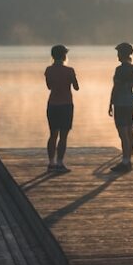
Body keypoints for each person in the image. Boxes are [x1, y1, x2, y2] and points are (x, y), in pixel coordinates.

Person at [43, 44, 78, 172]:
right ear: (64, 56)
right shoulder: (70, 70)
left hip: (52, 105)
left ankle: (51, 163)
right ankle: (60, 163)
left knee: (53, 134)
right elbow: (76, 87)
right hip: (66, 105)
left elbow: (49, 86)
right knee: (63, 136)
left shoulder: (48, 70)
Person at [109, 42, 133, 169]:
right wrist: (132, 98)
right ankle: (129, 158)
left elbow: (116, 87)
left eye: (118, 53)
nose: (117, 56)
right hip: (130, 103)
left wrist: (111, 103)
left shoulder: (120, 69)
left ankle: (125, 161)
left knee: (123, 133)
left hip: (120, 103)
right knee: (129, 131)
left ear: (122, 54)